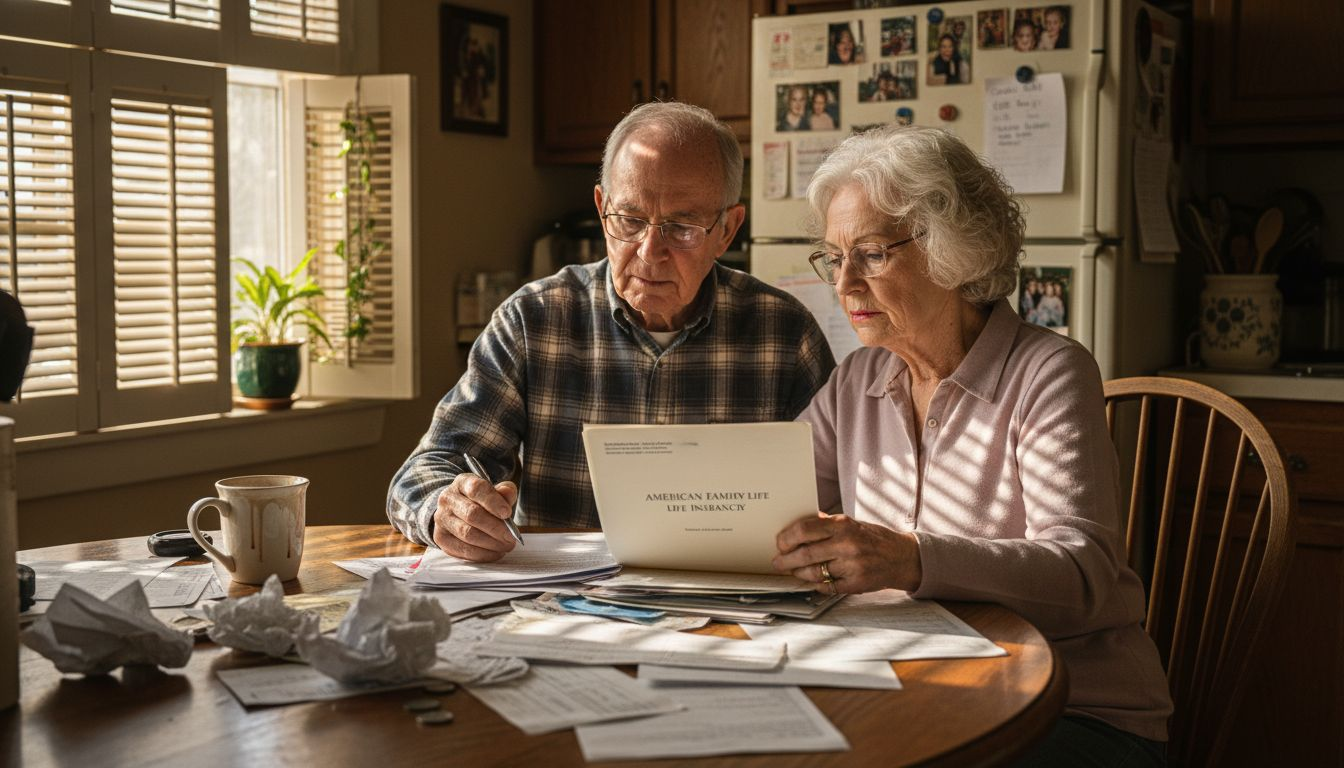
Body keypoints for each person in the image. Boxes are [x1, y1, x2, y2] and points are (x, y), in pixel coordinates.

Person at [771, 125, 1172, 766]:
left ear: (954, 252)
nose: (843, 285)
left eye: (871, 254)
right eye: (833, 257)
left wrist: (909, 559)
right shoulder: (858, 379)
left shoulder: (1049, 372)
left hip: (1073, 708)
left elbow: (1081, 573)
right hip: (916, 689)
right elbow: (770, 504)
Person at [388, 102, 837, 562]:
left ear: (727, 229)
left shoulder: (784, 335)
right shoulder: (534, 321)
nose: (649, 251)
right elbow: (423, 472)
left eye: (681, 228)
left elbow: (844, 496)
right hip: (566, 601)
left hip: (735, 601)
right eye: (630, 220)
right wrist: (450, 509)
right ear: (602, 209)